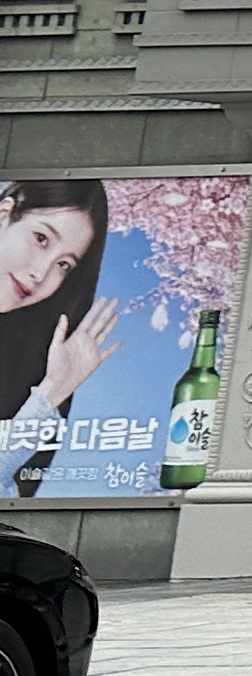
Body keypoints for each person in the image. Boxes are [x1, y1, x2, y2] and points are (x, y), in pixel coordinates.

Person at [2, 178, 118, 500]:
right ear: (4, 213)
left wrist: (52, 391)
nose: (40, 274)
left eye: (64, 265)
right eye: (41, 239)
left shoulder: (24, 361)